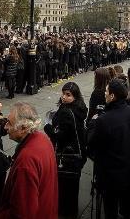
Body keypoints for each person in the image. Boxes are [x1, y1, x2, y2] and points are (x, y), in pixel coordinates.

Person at [87, 78, 130, 219]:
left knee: (111, 208)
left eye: (106, 91)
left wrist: (92, 123)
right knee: (128, 206)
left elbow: (92, 144)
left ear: (112, 96)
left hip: (111, 175)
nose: (104, 94)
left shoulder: (104, 120)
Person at [0, 102, 58, 219]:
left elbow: (22, 213)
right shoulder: (43, 138)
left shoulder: (26, 161)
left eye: (9, 123)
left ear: (23, 128)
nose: (5, 127)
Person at [44, 82, 88, 217]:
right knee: (73, 187)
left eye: (68, 95)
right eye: (63, 93)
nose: (64, 97)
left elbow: (59, 136)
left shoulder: (67, 112)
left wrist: (47, 127)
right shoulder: (80, 108)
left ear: (75, 96)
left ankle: (66, 211)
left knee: (64, 187)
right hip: (78, 153)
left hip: (67, 156)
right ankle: (71, 210)